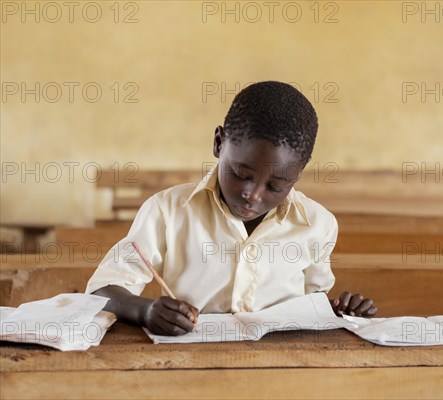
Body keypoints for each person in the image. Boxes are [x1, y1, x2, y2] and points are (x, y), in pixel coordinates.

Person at [86, 81, 377, 336]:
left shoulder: (317, 224)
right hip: (188, 367)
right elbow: (102, 290)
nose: (252, 195)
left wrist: (339, 310)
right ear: (218, 143)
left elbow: (313, 303)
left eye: (275, 186)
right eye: (241, 174)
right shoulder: (167, 212)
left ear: (298, 174)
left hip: (282, 371)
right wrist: (146, 311)